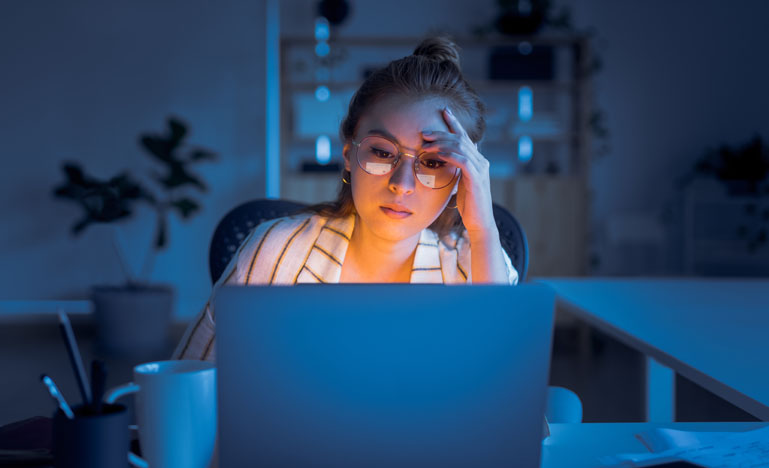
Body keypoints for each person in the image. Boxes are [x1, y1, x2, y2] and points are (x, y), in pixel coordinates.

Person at [173, 36, 518, 362]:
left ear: (462, 176)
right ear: (349, 156)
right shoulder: (277, 253)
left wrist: (483, 228)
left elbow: (504, 404)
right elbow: (187, 384)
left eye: (433, 163)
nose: (402, 184)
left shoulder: (478, 267)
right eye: (382, 153)